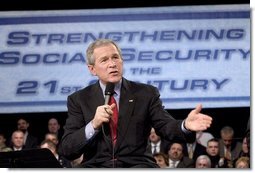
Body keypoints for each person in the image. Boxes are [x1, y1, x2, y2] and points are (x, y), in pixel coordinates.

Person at [59, 39, 212, 168]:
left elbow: (165, 125)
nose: (112, 64)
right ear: (92, 69)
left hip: (137, 165)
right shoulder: (79, 99)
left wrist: (185, 125)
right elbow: (68, 149)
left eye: (115, 57)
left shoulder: (145, 93)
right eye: (104, 60)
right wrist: (93, 124)